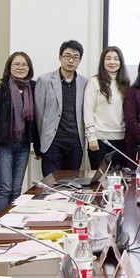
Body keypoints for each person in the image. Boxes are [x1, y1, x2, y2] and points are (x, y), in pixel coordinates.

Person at [0, 51, 39, 213]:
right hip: (2, 146)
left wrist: (38, 147)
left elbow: (37, 120)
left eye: (24, 64)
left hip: (23, 145)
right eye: (17, 64)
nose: (21, 68)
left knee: (16, 188)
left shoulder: (32, 87)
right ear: (9, 67)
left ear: (29, 68)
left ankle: (13, 222)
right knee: (4, 187)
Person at [35, 40, 88, 177]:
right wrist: (39, 144)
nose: (71, 60)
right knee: (51, 183)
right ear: (60, 57)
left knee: (72, 183)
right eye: (67, 56)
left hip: (75, 142)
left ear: (79, 60)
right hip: (52, 142)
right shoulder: (45, 80)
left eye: (75, 57)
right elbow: (38, 115)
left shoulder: (85, 82)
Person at [83, 46, 129, 169]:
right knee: (100, 178)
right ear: (103, 61)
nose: (112, 62)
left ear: (120, 62)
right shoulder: (94, 82)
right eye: (108, 58)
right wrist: (91, 136)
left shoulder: (125, 83)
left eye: (116, 59)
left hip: (120, 139)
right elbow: (88, 111)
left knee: (118, 177)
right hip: (99, 139)